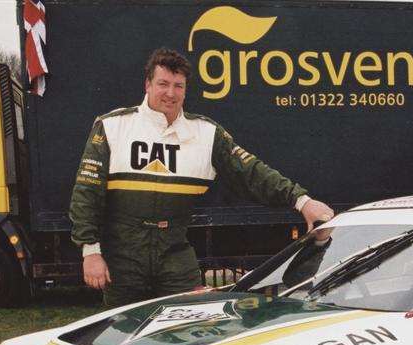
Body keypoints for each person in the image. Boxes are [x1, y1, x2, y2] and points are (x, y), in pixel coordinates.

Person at [69, 48, 334, 306]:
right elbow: (86, 193)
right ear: (147, 85)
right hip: (123, 256)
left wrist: (302, 200)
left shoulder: (206, 133)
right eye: (163, 84)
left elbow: (253, 172)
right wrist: (90, 252)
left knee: (185, 332)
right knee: (122, 334)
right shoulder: (112, 126)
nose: (170, 93)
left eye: (178, 86)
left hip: (175, 254)